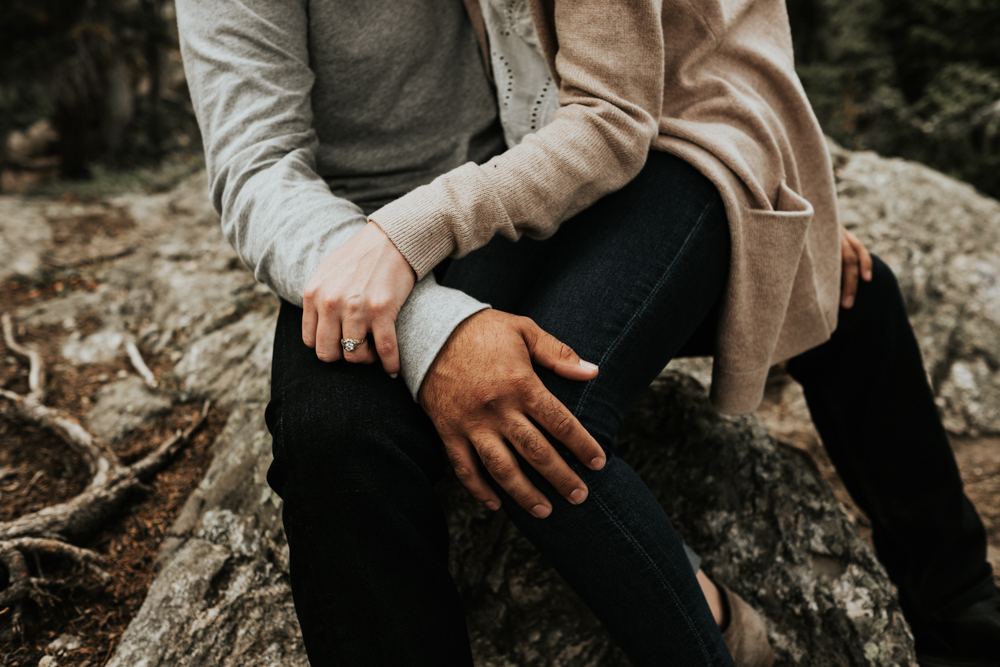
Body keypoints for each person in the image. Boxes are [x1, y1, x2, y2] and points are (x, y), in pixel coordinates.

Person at [175, 0, 1000, 665]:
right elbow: (255, 166)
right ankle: (707, 610)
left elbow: (666, 61)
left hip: (554, 175)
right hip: (362, 229)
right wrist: (437, 327)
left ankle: (961, 604)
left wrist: (781, 186)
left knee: (836, 283)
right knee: (334, 438)